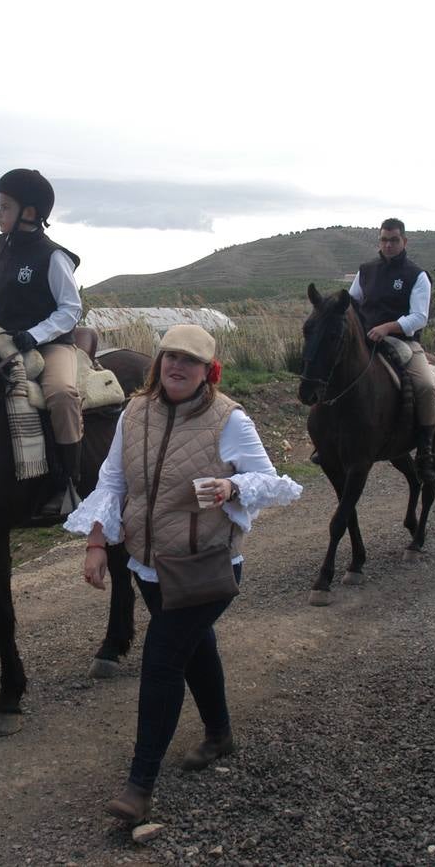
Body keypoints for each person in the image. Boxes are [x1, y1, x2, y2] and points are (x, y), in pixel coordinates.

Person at [65, 325, 302, 825]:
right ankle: (219, 734)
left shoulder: (228, 419)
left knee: (162, 661)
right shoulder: (135, 412)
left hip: (206, 566)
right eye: (171, 356)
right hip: (148, 566)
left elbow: (272, 481)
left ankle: (139, 785)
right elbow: (112, 480)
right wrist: (94, 542)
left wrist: (232, 486)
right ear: (159, 362)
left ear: (207, 371)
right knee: (195, 649)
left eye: (190, 361)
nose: (178, 366)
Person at [0, 168, 84, 517]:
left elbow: (71, 309)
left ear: (30, 213)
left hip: (50, 345)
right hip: (4, 340)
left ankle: (69, 483)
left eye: (4, 206)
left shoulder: (53, 257)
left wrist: (34, 335)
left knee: (63, 395)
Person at [346, 218, 435, 482]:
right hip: (366, 339)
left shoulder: (417, 275)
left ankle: (426, 448)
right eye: (384, 240)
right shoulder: (366, 271)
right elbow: (353, 302)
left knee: (425, 385)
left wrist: (388, 327)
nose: (388, 245)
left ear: (404, 241)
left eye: (394, 240)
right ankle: (327, 440)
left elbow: (419, 317)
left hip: (402, 341)